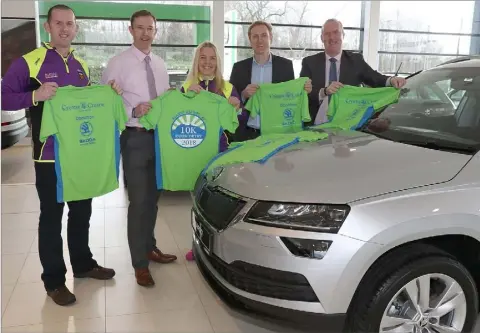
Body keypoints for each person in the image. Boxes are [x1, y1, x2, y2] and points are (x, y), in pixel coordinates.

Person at [1, 4, 120, 306]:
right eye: (59, 23)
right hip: (49, 157)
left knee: (82, 213)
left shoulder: (80, 65)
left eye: (70, 24)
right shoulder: (30, 62)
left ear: (75, 28)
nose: (65, 29)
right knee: (52, 218)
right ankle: (54, 281)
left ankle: (83, 264)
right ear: (48, 27)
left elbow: (85, 101)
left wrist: (106, 91)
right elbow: (4, 95)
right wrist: (34, 96)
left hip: (79, 156)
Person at [101, 9, 177, 288]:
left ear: (155, 32)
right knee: (138, 202)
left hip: (160, 139)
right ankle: (139, 265)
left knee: (153, 200)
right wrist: (132, 109)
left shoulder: (159, 63)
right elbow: (106, 101)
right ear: (130, 30)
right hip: (134, 137)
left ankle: (149, 247)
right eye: (140, 28)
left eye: (151, 28)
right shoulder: (117, 63)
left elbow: (165, 98)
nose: (146, 33)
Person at [180, 41, 246, 261]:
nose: (207, 63)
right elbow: (178, 119)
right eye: (203, 58)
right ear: (196, 61)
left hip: (220, 153)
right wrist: (186, 96)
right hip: (193, 152)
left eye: (212, 59)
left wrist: (237, 106)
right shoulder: (187, 86)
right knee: (197, 203)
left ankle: (221, 250)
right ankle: (197, 244)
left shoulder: (227, 87)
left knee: (220, 206)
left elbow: (237, 122)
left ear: (217, 62)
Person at [300, 18, 407, 126]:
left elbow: (375, 78)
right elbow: (302, 93)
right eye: (327, 34)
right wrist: (324, 91)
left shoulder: (356, 60)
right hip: (315, 126)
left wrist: (391, 80)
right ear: (322, 38)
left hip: (347, 125)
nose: (331, 37)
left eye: (336, 32)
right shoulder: (309, 62)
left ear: (343, 35)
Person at [229, 21, 312, 141]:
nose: (259, 40)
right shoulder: (238, 68)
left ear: (270, 38)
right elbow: (231, 101)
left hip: (277, 132)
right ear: (250, 39)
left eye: (264, 35)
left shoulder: (286, 66)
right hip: (247, 133)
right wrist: (243, 95)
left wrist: (303, 89)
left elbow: (290, 97)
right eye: (255, 36)